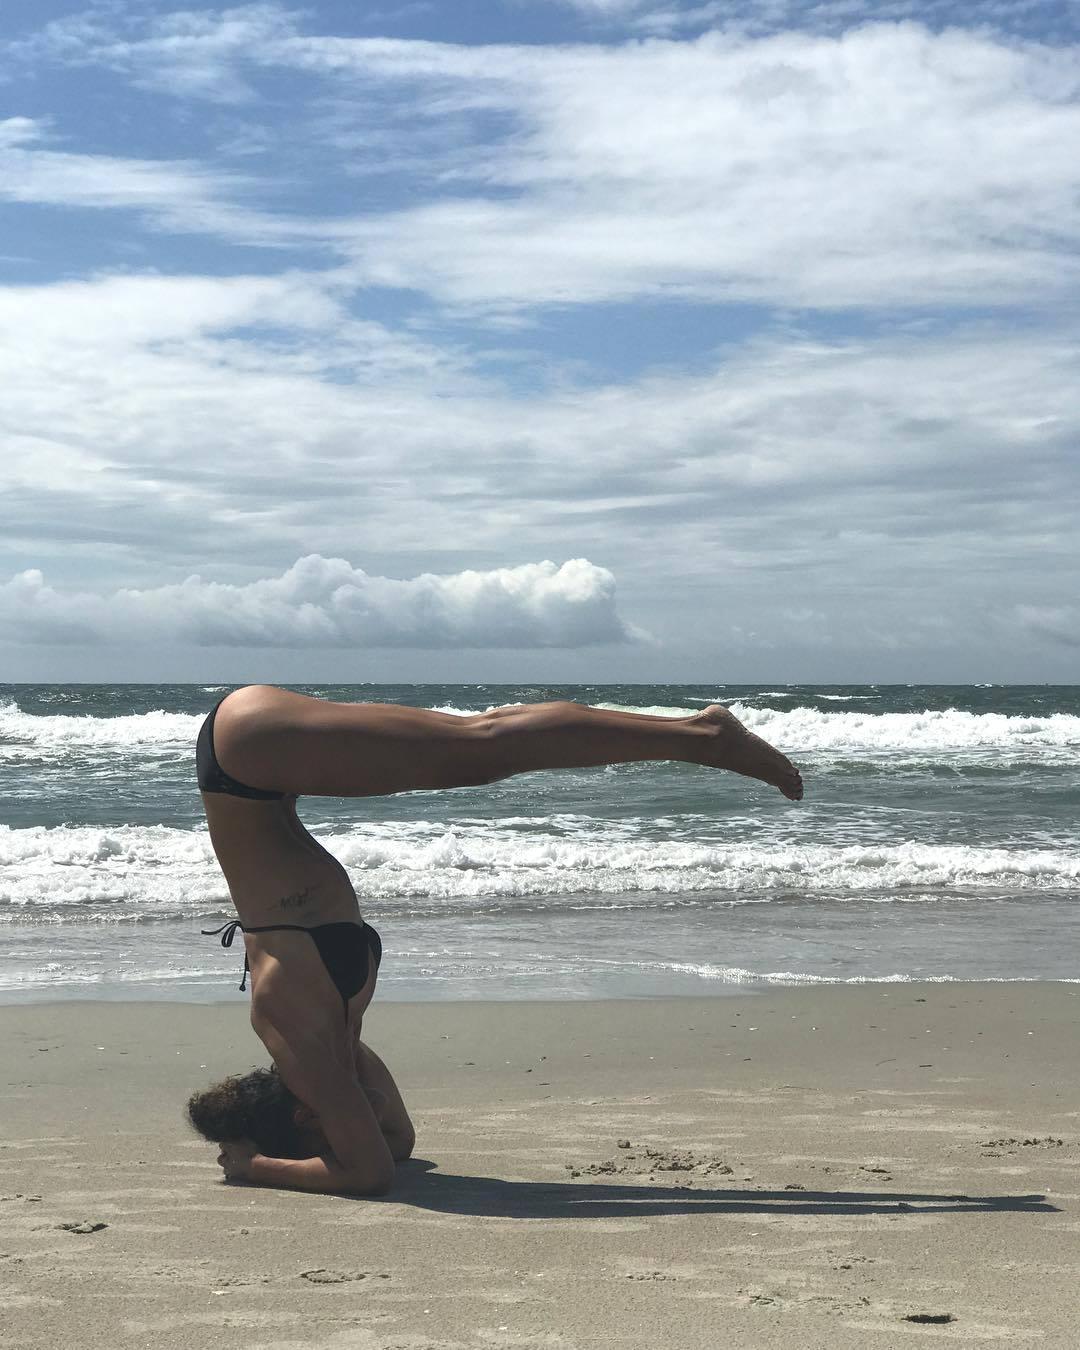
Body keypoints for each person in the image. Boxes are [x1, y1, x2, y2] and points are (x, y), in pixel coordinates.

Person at [186, 685, 803, 1196]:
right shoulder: (334, 1054)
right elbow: (396, 1145)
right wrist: (321, 1148)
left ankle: (702, 735)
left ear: (303, 1116)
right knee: (480, 747)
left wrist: (255, 1167)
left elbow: (367, 1171)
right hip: (259, 778)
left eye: (335, 1132)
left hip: (244, 753)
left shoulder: (292, 1030)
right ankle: (697, 736)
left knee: (482, 743)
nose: (367, 1114)